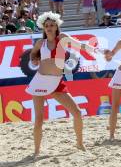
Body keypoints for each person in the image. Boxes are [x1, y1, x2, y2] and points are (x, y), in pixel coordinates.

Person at [25, 12, 100, 157]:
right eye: (46, 26)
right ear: (43, 28)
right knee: (39, 119)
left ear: (56, 26)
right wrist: (34, 59)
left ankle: (79, 144)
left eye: (52, 25)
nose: (49, 28)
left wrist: (96, 50)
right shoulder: (41, 43)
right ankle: (36, 151)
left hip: (57, 82)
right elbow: (33, 53)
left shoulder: (63, 39)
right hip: (40, 80)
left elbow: (81, 46)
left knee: (77, 113)